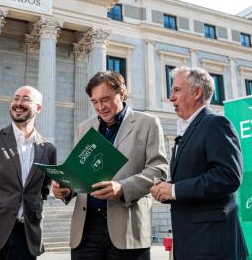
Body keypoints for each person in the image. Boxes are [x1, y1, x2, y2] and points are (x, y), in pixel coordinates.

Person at [52, 71, 168, 260]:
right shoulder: (84, 127)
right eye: (95, 101)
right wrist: (66, 188)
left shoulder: (148, 123)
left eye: (105, 99)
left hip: (128, 230)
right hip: (86, 231)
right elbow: (78, 170)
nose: (100, 107)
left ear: (122, 94)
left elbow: (158, 171)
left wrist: (123, 188)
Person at [150, 66, 248, 260]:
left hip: (212, 245)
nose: (171, 97)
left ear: (196, 92)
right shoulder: (188, 130)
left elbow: (229, 176)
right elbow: (192, 182)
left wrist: (175, 190)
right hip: (190, 243)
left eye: (177, 90)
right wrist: (166, 193)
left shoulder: (216, 123)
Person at [0, 86, 56, 260]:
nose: (18, 103)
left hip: (26, 238)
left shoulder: (48, 149)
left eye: (26, 99)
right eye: (15, 98)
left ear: (39, 108)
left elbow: (42, 192)